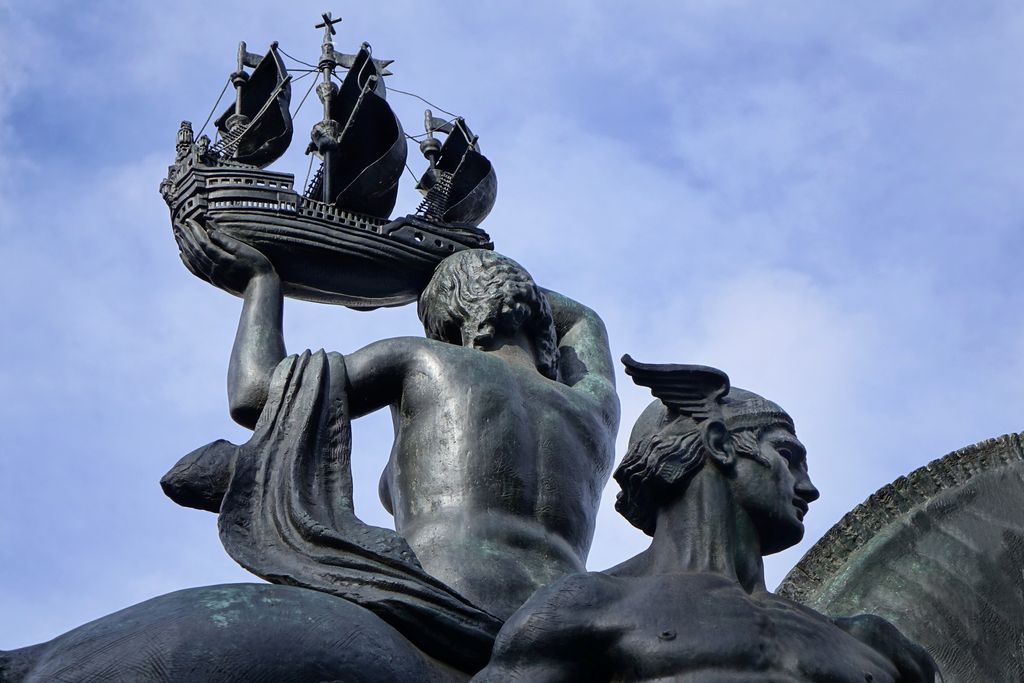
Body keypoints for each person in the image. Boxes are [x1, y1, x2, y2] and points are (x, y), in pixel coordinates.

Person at [174, 220, 620, 620]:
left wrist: (262, 281)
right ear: (534, 314)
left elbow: (254, 394)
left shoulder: (423, 359)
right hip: (564, 616)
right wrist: (492, 274)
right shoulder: (595, 405)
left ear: (448, 326)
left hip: (443, 593)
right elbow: (584, 318)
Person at [473, 356, 941, 682]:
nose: (808, 486)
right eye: (788, 456)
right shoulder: (584, 607)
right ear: (719, 443)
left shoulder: (875, 642)